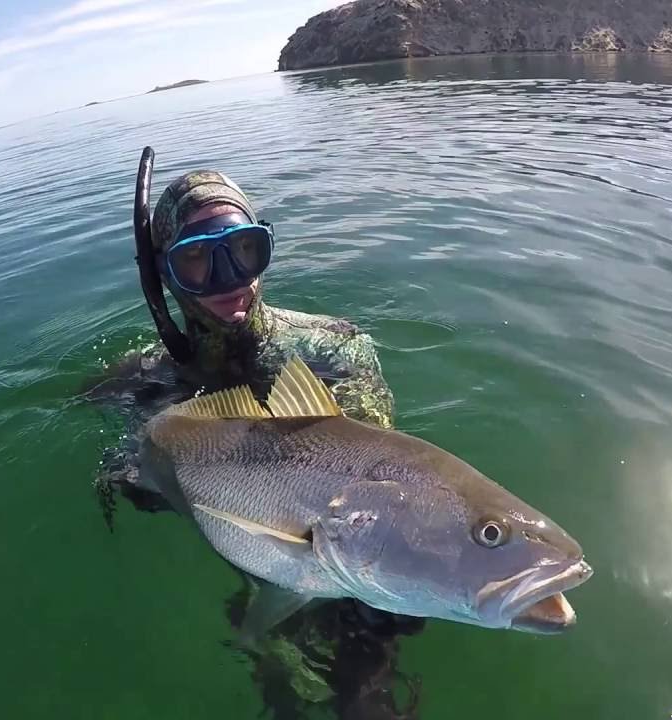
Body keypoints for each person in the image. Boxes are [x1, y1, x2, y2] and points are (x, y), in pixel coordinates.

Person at [85, 148, 422, 720]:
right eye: (196, 261)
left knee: (365, 690)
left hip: (339, 564)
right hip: (247, 560)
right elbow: (127, 467)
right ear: (165, 273)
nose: (229, 279)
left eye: (244, 250)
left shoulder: (332, 348)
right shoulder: (142, 381)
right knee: (277, 681)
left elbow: (375, 478)